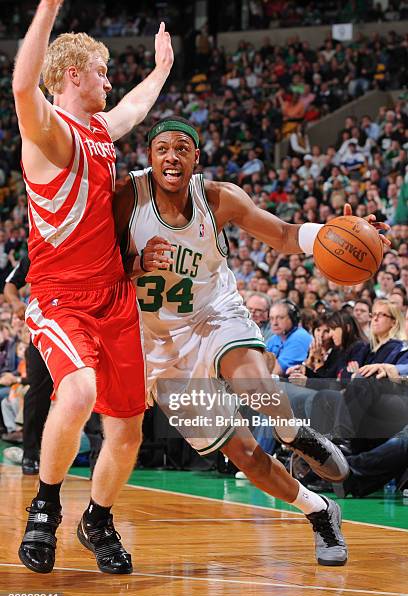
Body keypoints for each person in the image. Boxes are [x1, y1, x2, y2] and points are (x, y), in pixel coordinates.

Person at [114, 117, 386, 566]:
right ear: (149, 157)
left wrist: (347, 233)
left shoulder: (218, 198)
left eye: (183, 148)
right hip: (157, 347)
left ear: (196, 158)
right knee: (243, 454)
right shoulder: (127, 198)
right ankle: (320, 511)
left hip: (213, 315)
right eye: (163, 148)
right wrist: (135, 262)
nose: (172, 157)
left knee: (257, 387)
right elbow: (99, 268)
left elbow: (280, 234)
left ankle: (293, 432)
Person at [13, 0, 173, 575]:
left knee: (128, 429)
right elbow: (23, 84)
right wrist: (50, 8)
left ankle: (97, 518)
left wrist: (159, 73)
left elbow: (133, 107)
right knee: (77, 394)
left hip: (115, 297)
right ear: (74, 75)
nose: (111, 81)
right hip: (62, 300)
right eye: (103, 71)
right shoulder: (49, 134)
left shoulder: (100, 133)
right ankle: (45, 508)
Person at [3, 256, 53, 474]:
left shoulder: (87, 242)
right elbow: (10, 285)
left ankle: (95, 456)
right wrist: (15, 304)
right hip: (43, 328)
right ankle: (31, 454)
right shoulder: (37, 250)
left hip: (80, 324)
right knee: (38, 390)